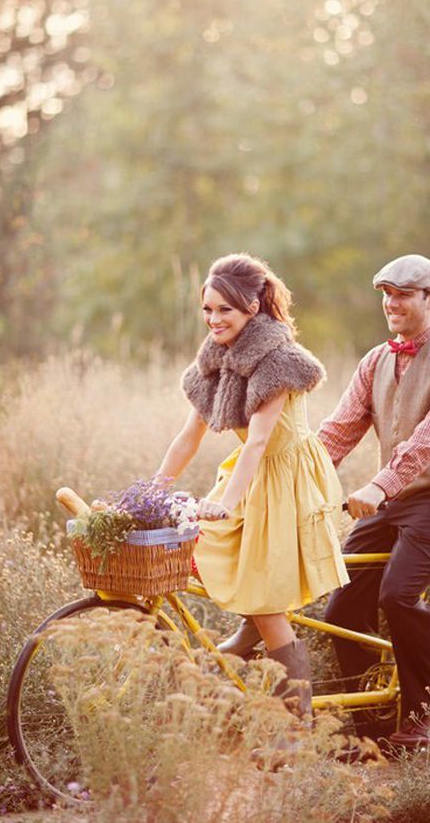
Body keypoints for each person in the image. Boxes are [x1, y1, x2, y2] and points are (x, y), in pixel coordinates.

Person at [156, 253, 348, 724]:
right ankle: (252, 628)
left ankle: (296, 725)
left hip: (285, 475)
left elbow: (260, 440)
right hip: (248, 471)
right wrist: (152, 490)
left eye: (225, 310)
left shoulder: (279, 359)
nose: (213, 319)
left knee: (263, 590)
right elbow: (189, 437)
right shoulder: (215, 358)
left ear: (253, 309)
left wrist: (224, 503)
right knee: (209, 556)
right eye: (207, 309)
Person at [317, 253, 430, 749]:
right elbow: (339, 429)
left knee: (397, 593)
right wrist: (296, 477)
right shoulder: (376, 360)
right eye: (386, 294)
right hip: (393, 501)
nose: (392, 303)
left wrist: (379, 486)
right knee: (342, 608)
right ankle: (372, 729)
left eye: (404, 294)